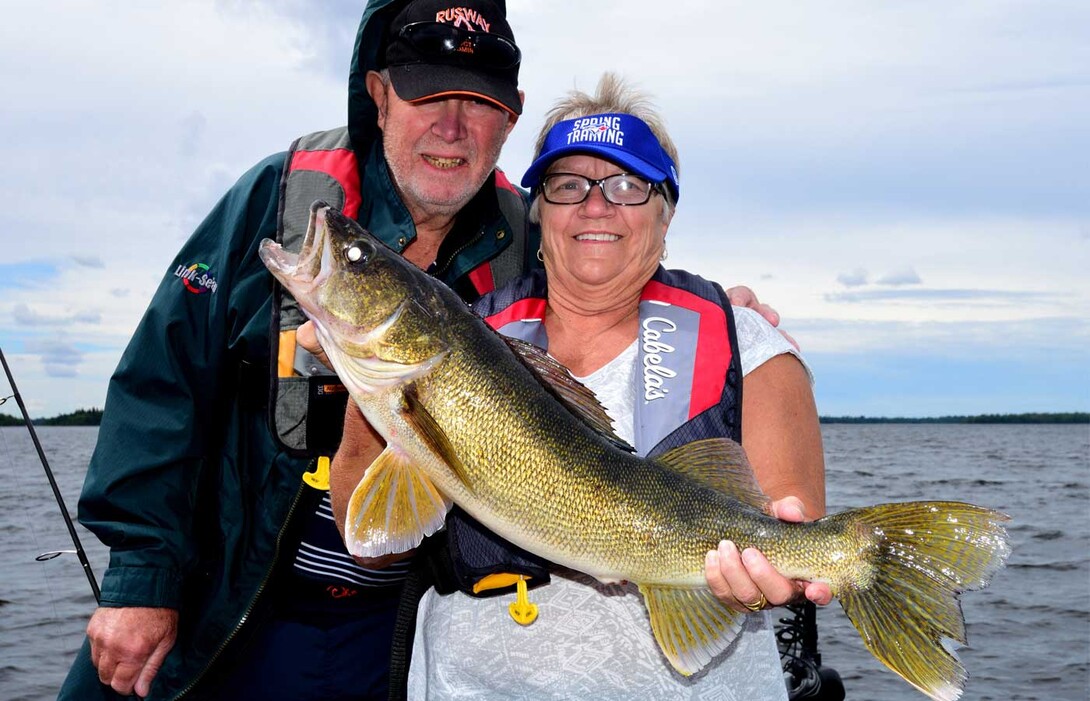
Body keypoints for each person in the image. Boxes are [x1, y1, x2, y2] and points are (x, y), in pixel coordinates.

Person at [59, 3, 784, 700]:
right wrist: (140, 584)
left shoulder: (531, 231)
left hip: (397, 626)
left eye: (478, 104)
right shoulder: (279, 198)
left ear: (509, 117)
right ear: (378, 97)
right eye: (425, 95)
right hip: (235, 604)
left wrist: (724, 306)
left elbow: (613, 249)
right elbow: (163, 384)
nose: (451, 126)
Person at [367, 73, 829, 699]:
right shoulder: (466, 336)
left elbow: (793, 524)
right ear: (538, 213)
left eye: (626, 185)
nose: (595, 205)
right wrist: (364, 383)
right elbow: (373, 542)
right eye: (567, 186)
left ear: (666, 212)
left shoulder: (746, 344)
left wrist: (783, 570)